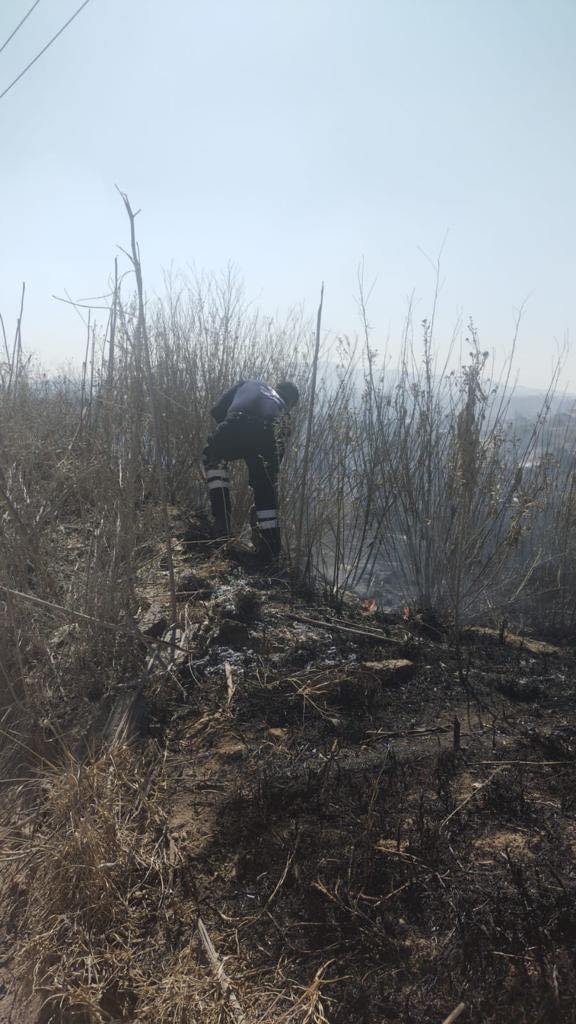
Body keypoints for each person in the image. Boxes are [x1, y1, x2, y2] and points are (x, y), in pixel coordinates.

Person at [202, 379, 300, 558]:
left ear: (276, 387)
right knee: (266, 489)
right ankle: (271, 549)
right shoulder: (285, 415)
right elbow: (276, 460)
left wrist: (231, 433)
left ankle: (222, 521)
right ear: (291, 403)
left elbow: (216, 411)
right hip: (268, 434)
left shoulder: (250, 384)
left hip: (237, 423)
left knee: (214, 458)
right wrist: (266, 482)